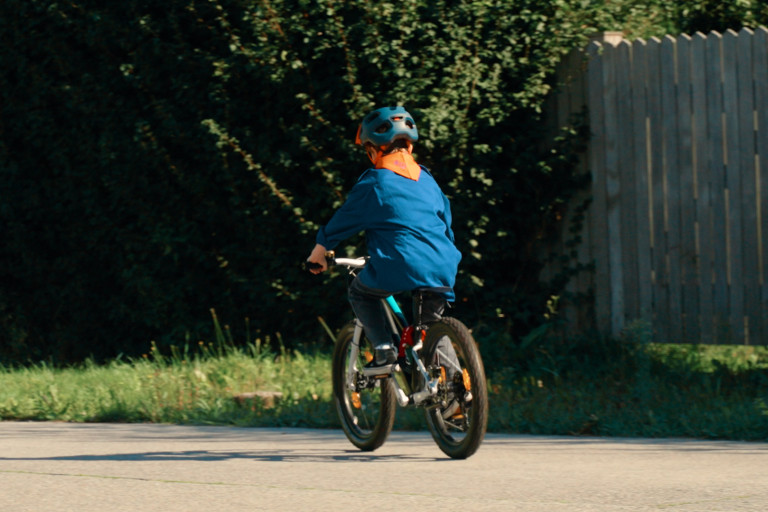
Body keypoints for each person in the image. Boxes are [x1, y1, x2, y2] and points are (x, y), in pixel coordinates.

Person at [307, 106, 462, 367]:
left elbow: (345, 219)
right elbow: (446, 223)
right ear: (409, 147)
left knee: (361, 292)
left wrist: (320, 250)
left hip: (399, 263)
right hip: (444, 263)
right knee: (431, 327)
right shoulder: (428, 180)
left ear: (373, 150)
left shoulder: (376, 182)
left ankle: (383, 349)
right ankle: (457, 396)